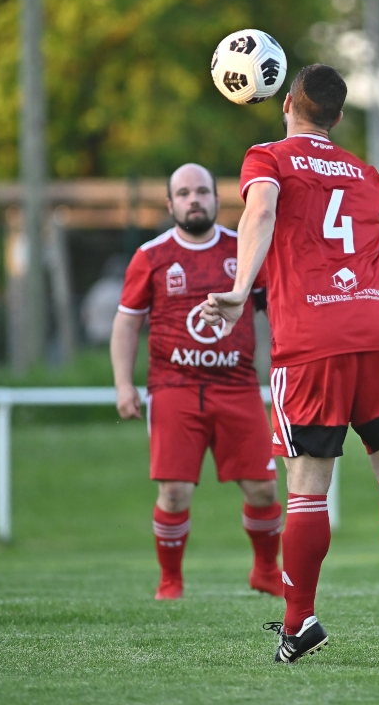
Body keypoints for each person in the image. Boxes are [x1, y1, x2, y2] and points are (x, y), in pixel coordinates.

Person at [200, 65, 379, 665]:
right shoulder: (363, 173)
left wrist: (239, 291)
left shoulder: (267, 158)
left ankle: (299, 622)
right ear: (339, 117)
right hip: (376, 335)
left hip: (310, 342)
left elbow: (261, 213)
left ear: (287, 104)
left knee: (308, 487)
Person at [111, 163, 282, 601]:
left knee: (264, 488)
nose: (194, 200)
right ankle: (170, 581)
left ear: (216, 200)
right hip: (174, 388)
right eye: (184, 193)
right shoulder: (151, 256)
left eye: (202, 192)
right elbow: (127, 323)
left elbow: (275, 309)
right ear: (170, 204)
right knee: (174, 492)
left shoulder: (243, 248)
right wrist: (124, 385)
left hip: (237, 386)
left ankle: (266, 571)